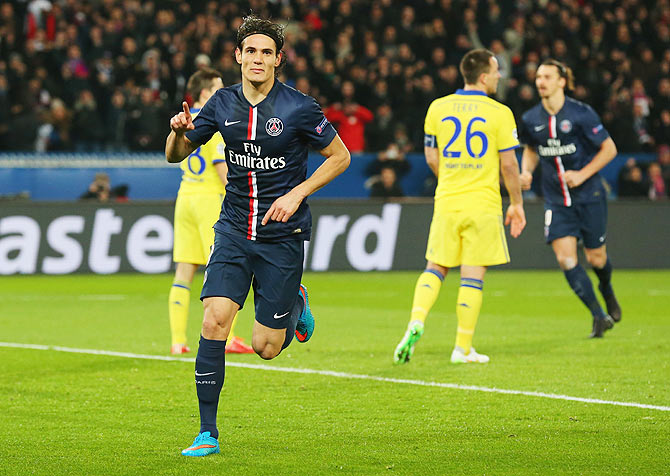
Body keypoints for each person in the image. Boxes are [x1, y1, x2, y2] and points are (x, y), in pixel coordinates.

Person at [165, 15, 350, 457]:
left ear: (278, 59)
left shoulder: (300, 107)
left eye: (267, 52)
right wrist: (175, 134)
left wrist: (298, 192)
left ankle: (296, 303)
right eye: (251, 51)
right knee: (213, 320)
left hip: (281, 235)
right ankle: (207, 431)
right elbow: (177, 155)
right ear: (238, 56)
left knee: (267, 347)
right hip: (231, 228)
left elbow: (339, 156)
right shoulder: (221, 104)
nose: (258, 59)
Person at [394, 49, 526, 365]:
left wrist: (453, 178)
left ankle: (417, 319)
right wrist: (517, 203)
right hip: (482, 203)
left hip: (448, 201)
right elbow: (509, 165)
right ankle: (462, 348)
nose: (499, 76)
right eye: (496, 71)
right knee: (472, 276)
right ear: (483, 76)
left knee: (435, 267)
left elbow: (430, 156)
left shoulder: (437, 107)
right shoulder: (500, 112)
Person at [518, 59, 622, 338]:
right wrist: (526, 171)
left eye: (548, 76)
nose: (541, 81)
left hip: (589, 195)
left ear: (562, 81)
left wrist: (582, 174)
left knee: (596, 258)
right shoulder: (530, 119)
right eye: (538, 76)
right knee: (566, 259)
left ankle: (607, 290)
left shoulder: (581, 114)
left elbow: (609, 149)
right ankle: (599, 316)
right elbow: (530, 148)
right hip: (556, 200)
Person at [168, 67, 254, 356]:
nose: (224, 92)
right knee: (227, 269)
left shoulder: (185, 121)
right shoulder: (213, 120)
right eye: (218, 88)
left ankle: (178, 341)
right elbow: (223, 172)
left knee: (184, 272)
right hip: (209, 202)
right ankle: (227, 339)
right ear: (205, 93)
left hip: (185, 197)